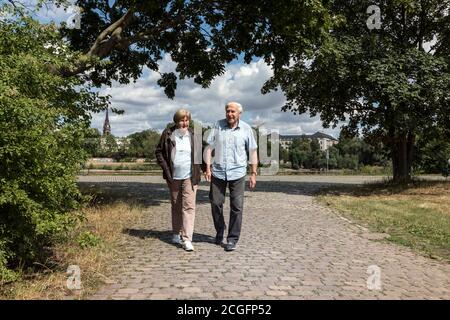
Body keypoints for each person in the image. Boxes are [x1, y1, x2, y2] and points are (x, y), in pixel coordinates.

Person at [204, 102, 258, 251]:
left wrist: (253, 173)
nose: (230, 114)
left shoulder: (247, 129)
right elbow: (209, 148)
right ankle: (220, 230)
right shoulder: (218, 125)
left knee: (237, 207)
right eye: (228, 111)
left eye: (233, 111)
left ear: (239, 113)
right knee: (215, 203)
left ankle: (232, 239)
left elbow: (253, 152)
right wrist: (207, 168)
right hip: (218, 172)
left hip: (238, 172)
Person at [155, 109, 202, 251]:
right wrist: (166, 169)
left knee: (189, 206)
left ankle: (187, 238)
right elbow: (159, 152)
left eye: (187, 120)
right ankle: (176, 233)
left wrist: (207, 169)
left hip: (190, 176)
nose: (184, 123)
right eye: (181, 120)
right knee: (176, 205)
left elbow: (199, 154)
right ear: (176, 121)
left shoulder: (194, 135)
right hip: (174, 176)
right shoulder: (168, 134)